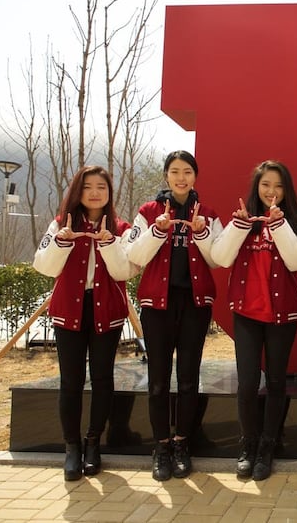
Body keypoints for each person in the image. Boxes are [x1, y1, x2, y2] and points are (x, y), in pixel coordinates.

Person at [33, 165, 138, 481]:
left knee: (103, 378)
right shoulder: (60, 224)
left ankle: (94, 442)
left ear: (109, 193)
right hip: (70, 309)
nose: (95, 193)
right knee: (71, 381)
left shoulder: (122, 228)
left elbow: (125, 271)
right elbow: (44, 266)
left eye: (101, 187)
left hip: (107, 310)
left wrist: (108, 242)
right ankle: (72, 447)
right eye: (88, 187)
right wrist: (61, 241)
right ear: (77, 191)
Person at [211, 160, 297, 481]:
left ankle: (268, 445)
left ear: (287, 190)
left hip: (283, 314)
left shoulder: (295, 222)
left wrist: (279, 225)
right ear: (256, 187)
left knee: (277, 381)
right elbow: (220, 258)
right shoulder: (243, 220)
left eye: (279, 185)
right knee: (247, 383)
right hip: (246, 313)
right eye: (266, 184)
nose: (272, 191)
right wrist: (238, 227)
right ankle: (248, 444)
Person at [127, 150, 222, 481]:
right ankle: (161, 447)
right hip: (158, 306)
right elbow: (134, 255)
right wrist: (157, 231)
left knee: (188, 377)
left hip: (195, 304)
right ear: (166, 175)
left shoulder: (207, 214)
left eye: (187, 172)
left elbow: (218, 259)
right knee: (157, 380)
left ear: (195, 176)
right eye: (175, 171)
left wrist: (202, 233)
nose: (181, 178)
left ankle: (182, 443)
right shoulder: (148, 211)